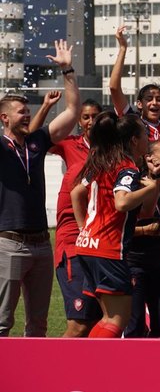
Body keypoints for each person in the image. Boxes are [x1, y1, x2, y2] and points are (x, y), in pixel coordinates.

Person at [0, 39, 80, 337]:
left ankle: (34, 382)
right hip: (8, 243)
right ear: (4, 118)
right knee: (2, 321)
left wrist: (68, 70)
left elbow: (72, 111)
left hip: (41, 243)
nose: (26, 114)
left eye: (26, 110)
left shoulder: (36, 142)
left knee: (39, 324)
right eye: (21, 111)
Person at [71, 112, 160, 338]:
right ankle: (89, 367)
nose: (148, 139)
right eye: (144, 134)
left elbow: (76, 193)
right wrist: (151, 188)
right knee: (117, 318)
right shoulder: (126, 166)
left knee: (107, 317)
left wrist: (85, 229)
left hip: (88, 245)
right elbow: (122, 202)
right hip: (108, 248)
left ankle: (89, 366)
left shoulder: (103, 161)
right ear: (134, 140)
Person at [50, 98, 104, 337]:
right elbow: (38, 138)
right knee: (80, 324)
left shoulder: (110, 156)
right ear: (79, 122)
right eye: (86, 117)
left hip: (98, 245)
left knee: (98, 321)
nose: (91, 121)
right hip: (76, 244)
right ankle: (55, 371)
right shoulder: (75, 159)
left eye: (96, 116)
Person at [124, 140, 160, 337]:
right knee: (135, 325)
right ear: (149, 158)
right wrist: (145, 231)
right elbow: (120, 228)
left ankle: (159, 366)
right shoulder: (136, 184)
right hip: (135, 262)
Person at [109, 25, 160, 143]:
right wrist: (123, 48)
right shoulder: (132, 121)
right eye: (149, 99)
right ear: (139, 104)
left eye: (159, 99)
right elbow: (114, 88)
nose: (154, 103)